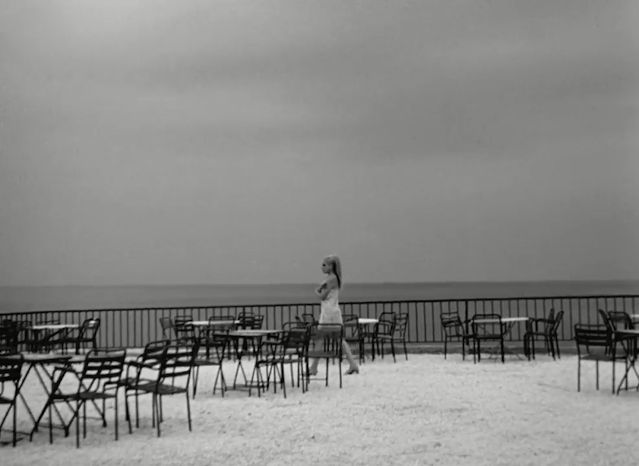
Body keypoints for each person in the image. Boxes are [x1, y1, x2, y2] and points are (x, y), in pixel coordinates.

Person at [308, 254, 360, 376]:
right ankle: (352, 364)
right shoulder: (335, 278)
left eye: (324, 265)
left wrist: (316, 291)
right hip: (334, 310)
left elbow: (322, 296)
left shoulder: (330, 279)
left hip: (328, 312)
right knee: (339, 339)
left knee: (320, 338)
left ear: (331, 266)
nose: (322, 267)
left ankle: (314, 367)